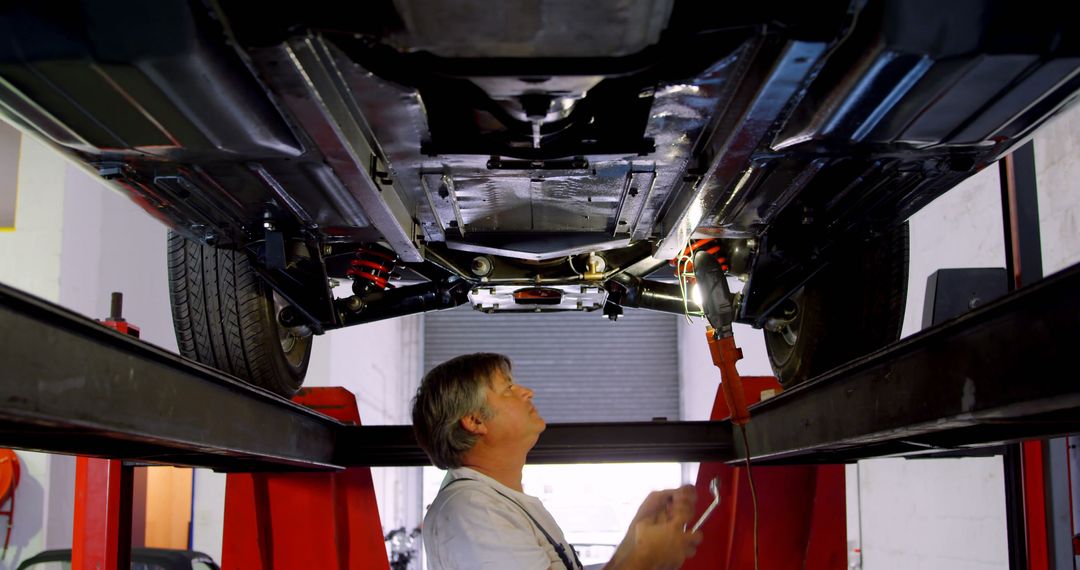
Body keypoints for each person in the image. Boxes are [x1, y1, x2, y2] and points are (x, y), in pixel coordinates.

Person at [412, 352, 703, 570]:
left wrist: (634, 541)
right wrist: (645, 559)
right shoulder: (474, 512)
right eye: (508, 388)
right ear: (475, 420)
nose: (527, 392)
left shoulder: (498, 502)